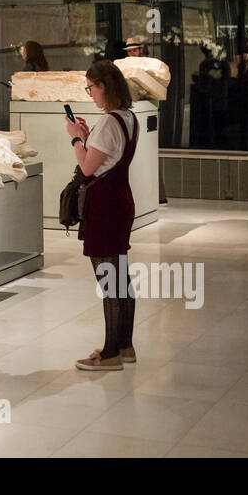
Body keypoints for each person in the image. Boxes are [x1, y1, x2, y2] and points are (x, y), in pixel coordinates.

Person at [66, 60, 139, 372]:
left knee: (109, 280)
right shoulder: (128, 118)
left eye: (91, 88)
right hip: (121, 200)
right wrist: (87, 136)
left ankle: (109, 354)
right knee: (120, 276)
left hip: (105, 205)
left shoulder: (109, 122)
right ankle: (124, 345)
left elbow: (86, 167)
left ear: (104, 87)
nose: (91, 94)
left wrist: (75, 138)